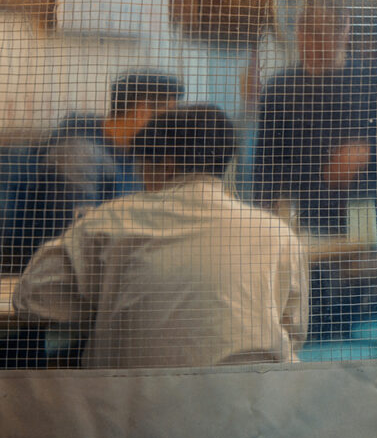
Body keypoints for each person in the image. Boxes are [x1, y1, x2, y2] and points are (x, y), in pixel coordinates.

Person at [13, 104, 307, 369]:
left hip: (132, 414)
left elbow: (31, 301)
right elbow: (295, 332)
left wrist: (111, 304)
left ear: (165, 165)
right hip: (255, 411)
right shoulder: (278, 233)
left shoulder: (113, 221)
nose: (139, 178)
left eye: (141, 166)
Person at [252, 4, 377, 341]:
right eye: (307, 35)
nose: (314, 44)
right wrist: (264, 213)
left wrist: (368, 150)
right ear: (297, 35)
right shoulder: (280, 88)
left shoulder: (376, 78)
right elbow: (265, 160)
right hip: (303, 211)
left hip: (360, 210)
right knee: (308, 302)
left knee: (362, 302)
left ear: (344, 32)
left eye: (323, 36)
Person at [2, 71, 183, 272]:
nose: (170, 130)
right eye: (167, 117)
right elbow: (74, 240)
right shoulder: (79, 153)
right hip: (51, 276)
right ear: (142, 112)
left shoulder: (131, 155)